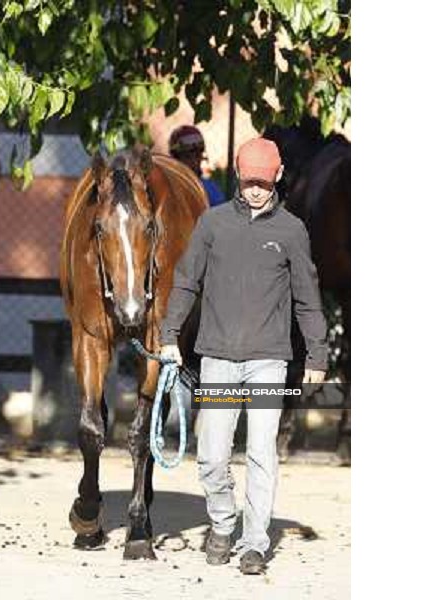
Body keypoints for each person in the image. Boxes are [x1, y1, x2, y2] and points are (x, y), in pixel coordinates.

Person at [159, 137, 328, 575]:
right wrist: (169, 334)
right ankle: (221, 522)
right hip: (216, 356)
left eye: (263, 181)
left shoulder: (291, 231)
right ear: (238, 174)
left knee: (260, 452)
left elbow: (308, 298)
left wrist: (316, 355)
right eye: (249, 180)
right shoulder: (212, 224)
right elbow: (185, 281)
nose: (255, 189)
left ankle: (254, 543)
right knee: (213, 454)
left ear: (277, 175)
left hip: (269, 360)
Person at [168, 125, 226, 207]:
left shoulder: (210, 189)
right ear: (176, 158)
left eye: (197, 155)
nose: (194, 161)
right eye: (187, 156)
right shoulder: (168, 189)